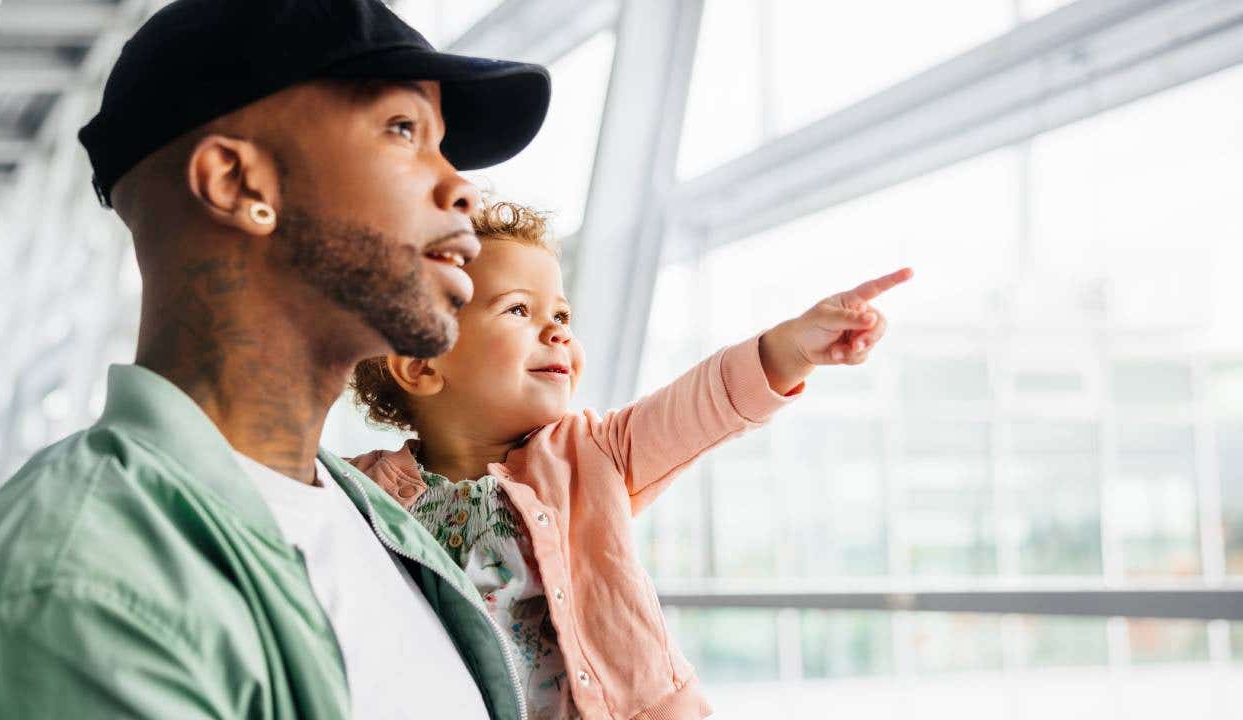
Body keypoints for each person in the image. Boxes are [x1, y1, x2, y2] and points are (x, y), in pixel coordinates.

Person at [0, 2, 551, 718]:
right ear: (237, 185)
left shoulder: (373, 522)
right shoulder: (87, 591)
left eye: (444, 143)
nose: (460, 184)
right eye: (404, 130)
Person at [347, 201, 914, 719]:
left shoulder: (594, 452)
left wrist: (792, 347)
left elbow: (705, 406)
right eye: (519, 309)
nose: (556, 331)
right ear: (421, 365)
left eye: (563, 316)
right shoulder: (359, 494)